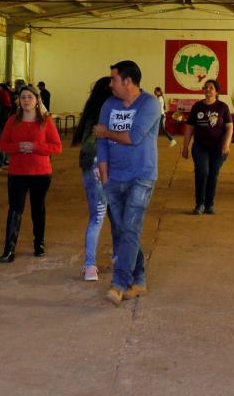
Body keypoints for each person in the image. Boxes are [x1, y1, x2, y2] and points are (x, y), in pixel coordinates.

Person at [93, 60, 161, 307]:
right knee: (123, 232)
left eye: (114, 79)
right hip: (113, 178)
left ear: (128, 81)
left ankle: (120, 284)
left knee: (130, 230)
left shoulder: (150, 104)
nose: (110, 84)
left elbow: (134, 137)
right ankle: (139, 279)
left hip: (141, 177)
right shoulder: (109, 105)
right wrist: (104, 173)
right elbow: (100, 143)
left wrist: (106, 132)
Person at [0, 85, 63, 262]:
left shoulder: (46, 121)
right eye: (23, 97)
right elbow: (3, 145)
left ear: (36, 101)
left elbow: (57, 147)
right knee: (15, 210)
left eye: (29, 97)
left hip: (40, 173)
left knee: (38, 208)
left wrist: (36, 147)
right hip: (17, 172)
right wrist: (17, 147)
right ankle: (9, 249)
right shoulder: (13, 121)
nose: (25, 100)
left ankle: (39, 243)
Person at [74, 77, 113, 282]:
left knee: (98, 217)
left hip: (94, 168)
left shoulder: (92, 111)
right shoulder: (104, 112)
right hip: (100, 168)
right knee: (105, 216)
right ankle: (91, 264)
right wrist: (98, 164)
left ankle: (90, 266)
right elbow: (91, 144)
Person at [181, 79, 234, 214]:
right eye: (206, 87)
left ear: (216, 92)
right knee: (202, 172)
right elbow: (190, 128)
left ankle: (209, 204)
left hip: (219, 147)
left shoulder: (223, 107)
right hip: (200, 146)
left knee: (213, 174)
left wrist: (226, 144)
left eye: (211, 87)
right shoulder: (197, 107)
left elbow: (229, 128)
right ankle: (199, 203)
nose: (208, 89)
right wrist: (185, 146)